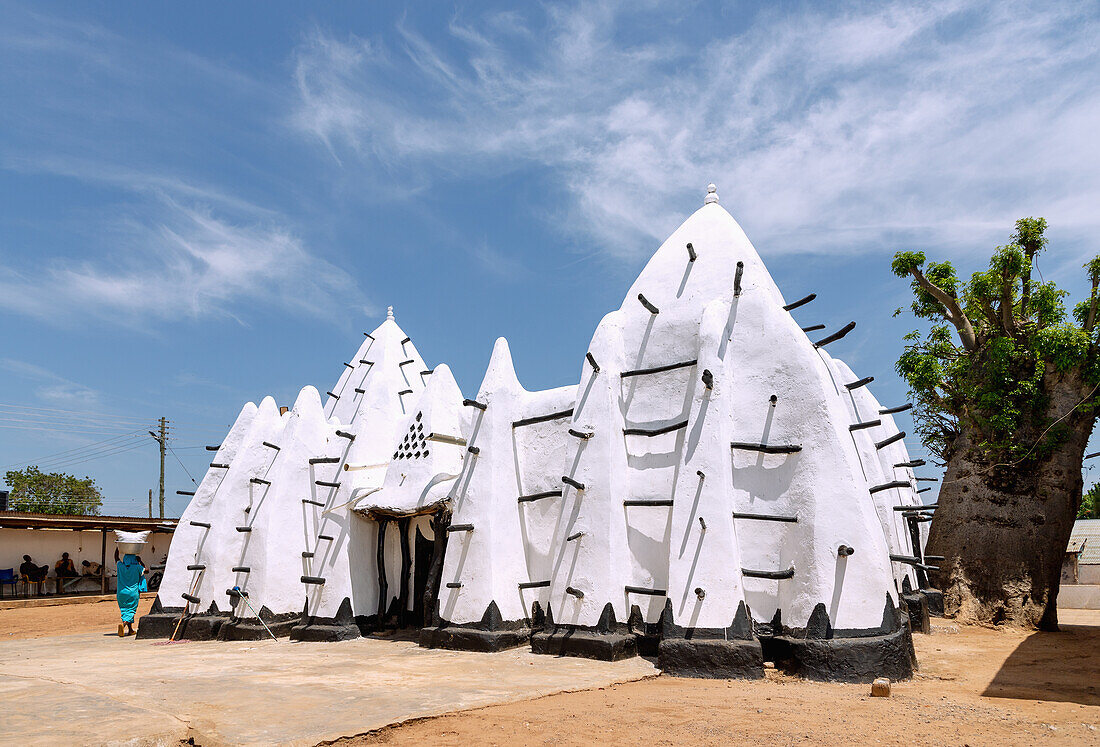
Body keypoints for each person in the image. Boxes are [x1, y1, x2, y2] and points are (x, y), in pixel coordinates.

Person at [114, 548, 146, 636]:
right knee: (131, 610)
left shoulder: (120, 566)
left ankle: (130, 630)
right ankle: (123, 624)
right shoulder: (137, 567)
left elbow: (116, 558)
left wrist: (118, 547)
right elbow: (146, 570)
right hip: (133, 593)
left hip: (121, 593)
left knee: (125, 610)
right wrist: (140, 561)